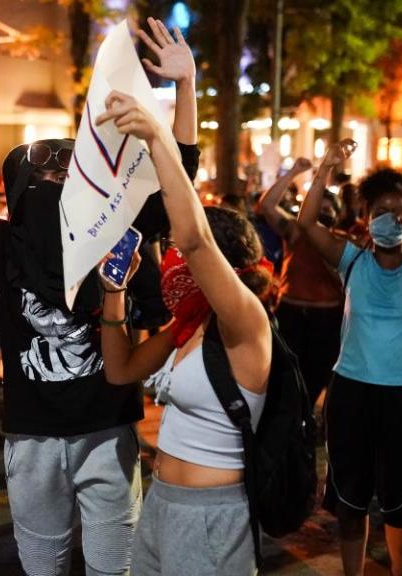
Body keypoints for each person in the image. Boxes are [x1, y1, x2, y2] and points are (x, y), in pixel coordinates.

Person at [0, 17, 199, 576]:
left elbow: (178, 179)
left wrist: (184, 88)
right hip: (32, 438)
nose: (58, 180)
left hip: (108, 434)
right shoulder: (2, 247)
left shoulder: (115, 234)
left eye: (70, 171)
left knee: (113, 567)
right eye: (42, 174)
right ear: (19, 195)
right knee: (42, 565)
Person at [90, 88, 272, 574]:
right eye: (168, 248)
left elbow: (195, 238)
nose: (172, 257)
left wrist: (158, 136)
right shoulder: (187, 325)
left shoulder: (246, 323)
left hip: (214, 519)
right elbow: (120, 370)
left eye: (176, 250)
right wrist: (114, 292)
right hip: (161, 503)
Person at [298, 140, 402, 576]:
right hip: (352, 392)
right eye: (380, 211)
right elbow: (305, 223)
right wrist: (325, 167)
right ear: (365, 216)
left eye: (399, 212)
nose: (389, 220)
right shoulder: (352, 258)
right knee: (350, 499)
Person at [256, 158, 344, 405]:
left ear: (338, 215)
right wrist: (293, 172)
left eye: (328, 210)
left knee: (315, 378)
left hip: (325, 320)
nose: (323, 213)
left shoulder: (342, 244)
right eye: (319, 209)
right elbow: (267, 205)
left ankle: (303, 425)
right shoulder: (295, 231)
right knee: (282, 377)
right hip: (291, 314)